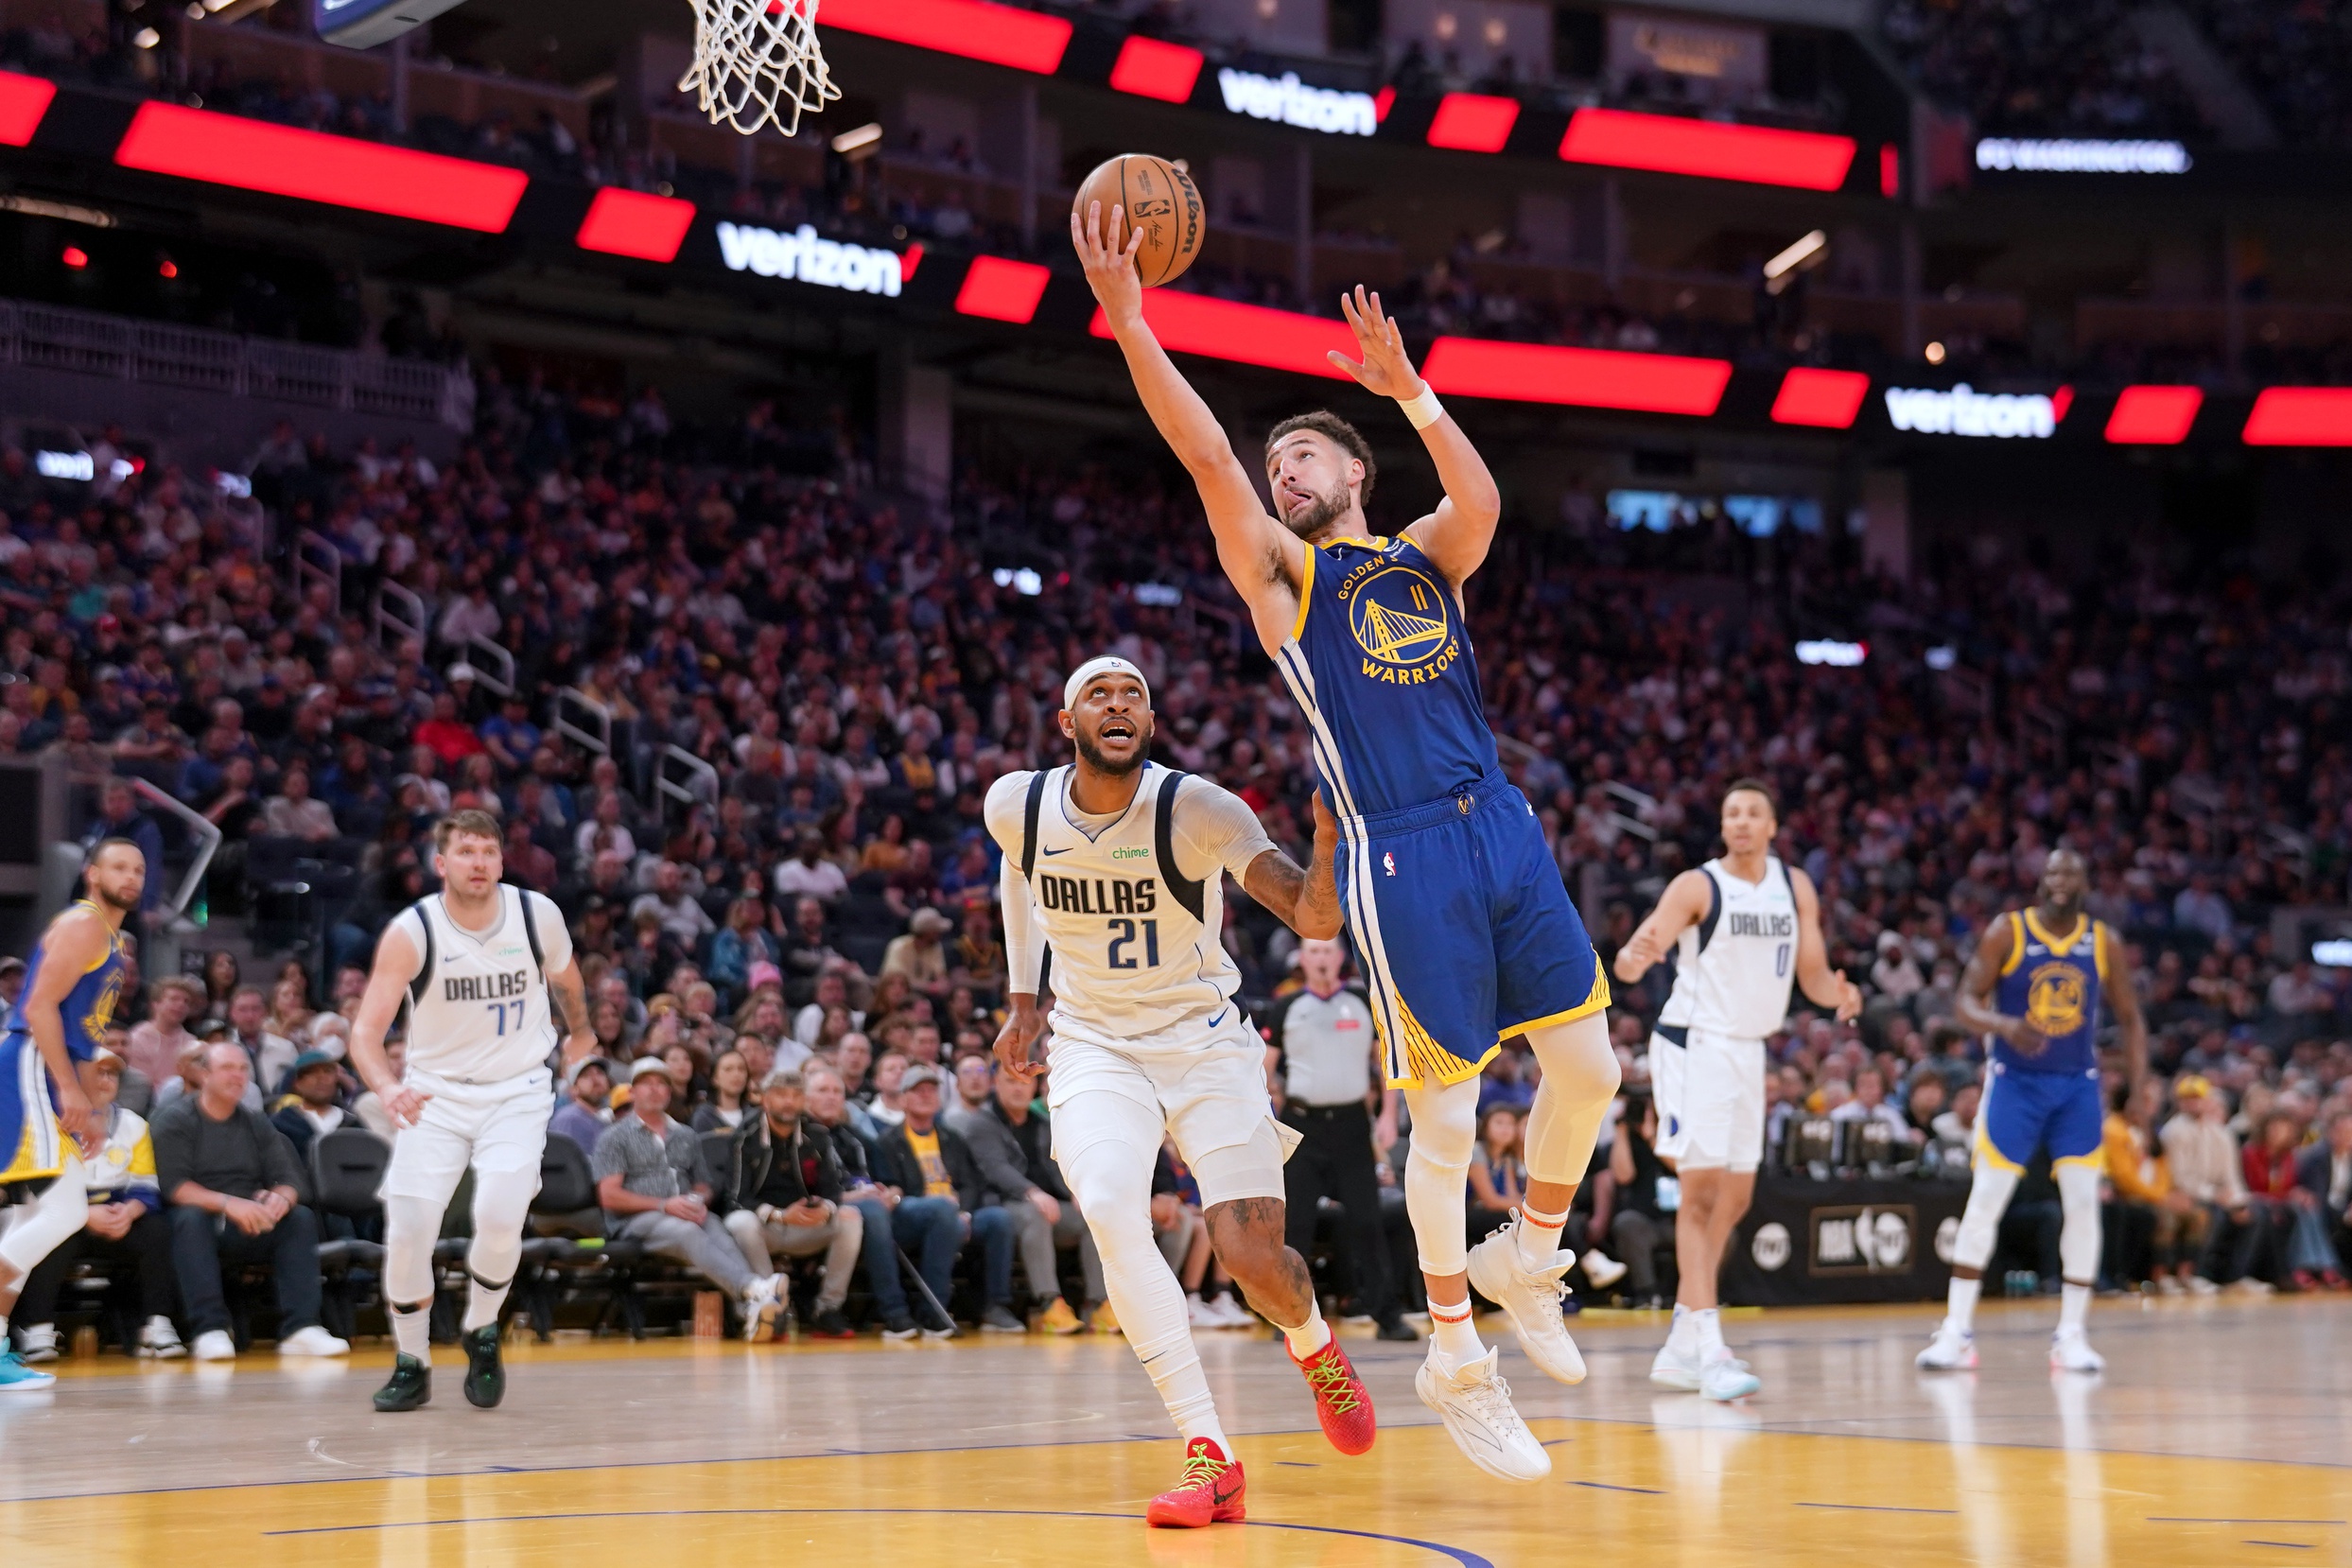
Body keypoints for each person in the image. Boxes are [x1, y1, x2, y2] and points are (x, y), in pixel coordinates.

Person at [1079, 216, 1622, 1486]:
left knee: (1587, 1068)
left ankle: (1522, 1254)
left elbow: (1481, 502)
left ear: (1353, 470)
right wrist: (1129, 317)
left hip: (1499, 819)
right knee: (1443, 1120)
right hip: (1397, 851)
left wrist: (1413, 390)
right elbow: (1205, 449)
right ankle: (1453, 1357)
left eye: (1304, 452)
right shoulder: (1281, 580)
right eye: (1277, 462)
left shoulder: (1423, 556)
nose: (1282, 469)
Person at [988, 655, 1373, 1527]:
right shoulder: (1017, 803)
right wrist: (1022, 1000)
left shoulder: (1196, 807)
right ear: (1068, 723)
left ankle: (1311, 1344)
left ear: (1149, 725)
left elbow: (1313, 920)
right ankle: (1212, 1453)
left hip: (1204, 1045)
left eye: (1132, 695)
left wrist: (1323, 849)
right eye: (1098, 693)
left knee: (1251, 1264)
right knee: (1113, 1208)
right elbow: (1016, 872)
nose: (1116, 703)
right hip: (1094, 1046)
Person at [1612, 779, 1860, 1401]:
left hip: (1749, 1050)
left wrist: (1840, 995)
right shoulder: (1696, 885)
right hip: (1695, 1042)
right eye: (1731, 814)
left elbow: (1810, 973)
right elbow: (1631, 960)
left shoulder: (1793, 885)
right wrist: (1634, 959)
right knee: (1698, 1196)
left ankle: (1678, 1341)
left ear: (1772, 826)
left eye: (1753, 813)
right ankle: (1709, 1346)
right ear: (1722, 826)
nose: (1741, 822)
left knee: (1737, 1197)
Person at [345, 809, 597, 1414]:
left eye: (488, 851)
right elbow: (364, 1033)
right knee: (407, 1234)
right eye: (465, 852)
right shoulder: (413, 932)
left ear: (501, 861)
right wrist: (385, 1087)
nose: (478, 862)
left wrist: (582, 1032)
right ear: (441, 863)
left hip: (517, 1089)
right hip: (434, 1091)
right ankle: (412, 1361)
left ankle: (482, 1330)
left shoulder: (538, 915)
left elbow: (566, 978)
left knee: (500, 1210)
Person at [1920, 849, 2146, 1374]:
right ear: (2040, 882)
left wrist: (2139, 1088)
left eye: (2071, 871)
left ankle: (2071, 1334)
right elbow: (1963, 1003)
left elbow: (2132, 1020)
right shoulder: (2009, 931)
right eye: (2052, 872)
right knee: (1986, 1202)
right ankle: (1957, 1332)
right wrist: (2004, 1026)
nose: (2060, 880)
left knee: (2084, 1204)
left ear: (2087, 882)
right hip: (2014, 1084)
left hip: (2077, 1087)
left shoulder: (2102, 940)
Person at [0, 840, 143, 1391]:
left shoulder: (112, 941)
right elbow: (36, 1006)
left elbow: (86, 1034)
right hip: (31, 1065)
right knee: (65, 1213)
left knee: (26, 1221)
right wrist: (67, 1089)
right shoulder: (83, 924)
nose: (130, 877)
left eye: (138, 869)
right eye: (118, 867)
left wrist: (89, 1108)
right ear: (92, 874)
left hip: (52, 1066)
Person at [151, 1043, 348, 1362]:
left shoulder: (255, 1121)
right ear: (204, 1074)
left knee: (298, 1218)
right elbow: (174, 1186)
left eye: (243, 1069)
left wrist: (280, 1198)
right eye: (228, 1068)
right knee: (190, 1217)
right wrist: (230, 1204)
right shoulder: (175, 1119)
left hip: (251, 1221)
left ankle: (301, 1329)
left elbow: (290, 1178)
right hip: (201, 1222)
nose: (238, 1076)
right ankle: (209, 1329)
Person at [1267, 937, 1413, 1341]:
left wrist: (1386, 1113)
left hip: (1351, 1126)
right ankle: (1291, 1317)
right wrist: (1266, 1116)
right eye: (1312, 952)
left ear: (1340, 958)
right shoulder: (1288, 1007)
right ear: (1302, 959)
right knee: (1296, 1224)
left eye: (1327, 951)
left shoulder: (1362, 1003)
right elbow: (1266, 1068)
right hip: (1302, 1126)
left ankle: (1387, 1314)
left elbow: (1386, 1061)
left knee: (1367, 1221)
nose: (1320, 959)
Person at [9, 1047, 183, 1361]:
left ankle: (157, 1324)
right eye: (97, 1072)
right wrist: (86, 1214)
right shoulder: (49, 1123)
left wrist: (129, 1212)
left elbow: (145, 1186)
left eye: (111, 1073)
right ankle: (37, 1328)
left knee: (157, 1229)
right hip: (66, 1213)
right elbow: (35, 1190)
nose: (105, 1080)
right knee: (52, 1231)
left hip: (117, 1213)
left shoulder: (134, 1125)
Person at [593, 1058, 787, 1336]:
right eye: (646, 1084)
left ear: (669, 1093)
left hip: (683, 1211)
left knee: (717, 1228)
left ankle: (750, 1314)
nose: (655, 1089)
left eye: (661, 1084)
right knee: (687, 1232)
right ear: (633, 1092)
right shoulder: (613, 1137)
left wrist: (697, 1200)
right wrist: (664, 1205)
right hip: (634, 1221)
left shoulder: (685, 1135)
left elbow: (703, 1184)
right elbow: (609, 1196)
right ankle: (752, 1288)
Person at [803, 1058, 959, 1340]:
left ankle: (934, 1311)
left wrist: (893, 1193)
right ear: (806, 1097)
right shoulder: (798, 1138)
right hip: (834, 1211)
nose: (831, 1097)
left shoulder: (856, 1136)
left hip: (881, 1208)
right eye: (822, 1090)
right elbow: (804, 1190)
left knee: (942, 1208)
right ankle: (894, 1312)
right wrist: (853, 1196)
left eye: (837, 1092)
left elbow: (892, 1180)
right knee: (872, 1209)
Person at [950, 1058, 1106, 1334]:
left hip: (1047, 1203)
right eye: (1011, 1081)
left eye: (1025, 1082)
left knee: (1090, 1218)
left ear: (1035, 1085)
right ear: (995, 1084)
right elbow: (996, 1169)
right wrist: (1031, 1192)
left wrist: (1075, 1191)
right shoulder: (982, 1123)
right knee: (1035, 1215)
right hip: (1000, 1204)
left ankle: (1097, 1305)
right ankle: (1049, 1305)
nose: (1019, 1089)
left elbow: (1061, 1165)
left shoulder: (1042, 1123)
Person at [717, 1067, 862, 1337]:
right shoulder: (744, 1137)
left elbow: (834, 1191)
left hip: (805, 1225)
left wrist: (825, 1209)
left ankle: (827, 1308)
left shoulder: (817, 1135)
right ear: (765, 1099)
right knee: (740, 1223)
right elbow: (735, 1198)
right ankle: (771, 1306)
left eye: (796, 1095)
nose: (789, 1101)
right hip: (766, 1227)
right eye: (781, 1094)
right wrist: (781, 1215)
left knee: (850, 1217)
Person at [873, 1063, 1017, 1333]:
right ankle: (933, 1310)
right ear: (902, 1099)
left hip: (955, 1212)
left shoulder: (953, 1139)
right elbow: (892, 1188)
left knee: (999, 1218)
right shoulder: (887, 1142)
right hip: (910, 1216)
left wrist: (963, 1211)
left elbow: (971, 1184)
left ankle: (994, 1306)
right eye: (918, 1091)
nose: (926, 1095)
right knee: (941, 1212)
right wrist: (948, 1211)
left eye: (931, 1090)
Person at [549, 1057, 613, 1152]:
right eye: (586, 1075)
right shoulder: (569, 1119)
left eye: (599, 1073)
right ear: (574, 1089)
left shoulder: (604, 1118)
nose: (595, 1079)